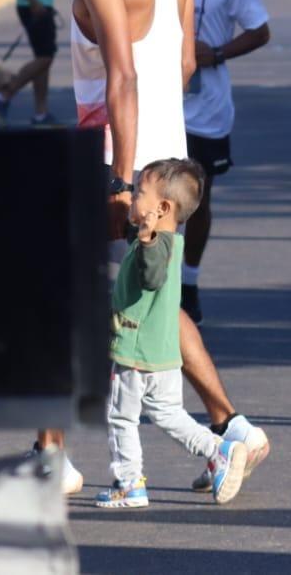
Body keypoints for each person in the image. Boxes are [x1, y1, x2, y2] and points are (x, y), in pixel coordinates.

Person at [38, 0, 269, 494]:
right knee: (152, 301)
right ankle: (233, 428)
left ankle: (51, 457)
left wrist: (119, 176)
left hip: (122, 157)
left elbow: (122, 75)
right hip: (170, 153)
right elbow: (184, 60)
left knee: (65, 292)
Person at [97, 158, 248, 509]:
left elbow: (151, 276)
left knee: (120, 416)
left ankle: (129, 482)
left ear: (162, 208)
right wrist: (118, 193)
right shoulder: (169, 240)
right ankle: (218, 450)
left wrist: (145, 238)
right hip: (162, 353)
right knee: (168, 414)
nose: (133, 197)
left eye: (139, 192)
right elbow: (140, 241)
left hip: (136, 351)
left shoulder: (156, 246)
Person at [157, 0, 271, 326]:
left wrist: (218, 53)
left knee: (199, 202)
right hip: (158, 106)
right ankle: (156, 281)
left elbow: (259, 29)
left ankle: (189, 280)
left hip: (207, 111)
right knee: (152, 198)